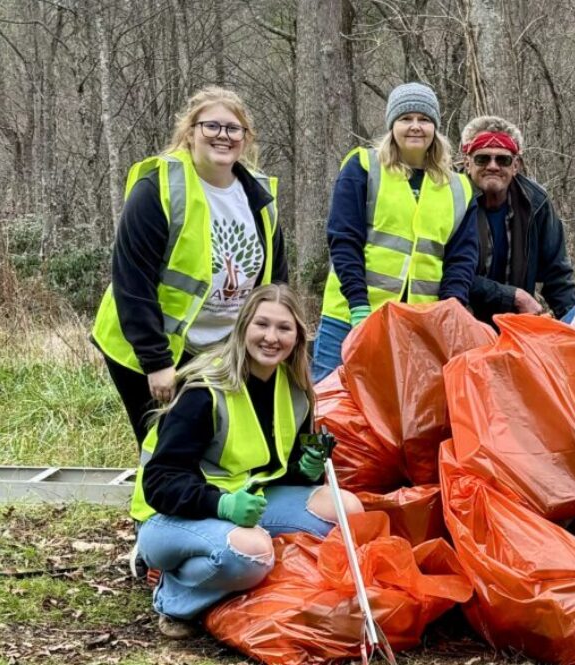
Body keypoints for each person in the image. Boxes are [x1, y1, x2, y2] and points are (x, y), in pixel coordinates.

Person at [129, 284, 364, 639]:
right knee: (252, 555)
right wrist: (221, 504)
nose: (272, 337)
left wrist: (307, 468)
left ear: (298, 335)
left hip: (246, 505)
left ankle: (237, 569)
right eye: (262, 325)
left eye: (284, 328)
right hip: (171, 517)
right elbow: (160, 482)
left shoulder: (295, 387)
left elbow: (277, 467)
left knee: (347, 512)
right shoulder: (204, 388)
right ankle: (173, 596)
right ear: (243, 328)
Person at [92, 87, 287, 446]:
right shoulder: (160, 187)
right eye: (211, 126)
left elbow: (275, 284)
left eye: (233, 129)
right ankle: (154, 504)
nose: (222, 136)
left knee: (217, 448)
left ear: (246, 138)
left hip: (220, 349)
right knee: (163, 450)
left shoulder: (259, 197)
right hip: (150, 347)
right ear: (190, 132)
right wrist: (156, 361)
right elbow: (132, 280)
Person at [314, 82, 478, 381]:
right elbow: (344, 240)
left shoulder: (459, 188)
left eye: (424, 119)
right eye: (406, 119)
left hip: (418, 326)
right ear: (392, 125)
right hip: (350, 315)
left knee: (401, 417)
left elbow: (461, 261)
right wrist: (358, 306)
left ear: (435, 128)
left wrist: (448, 312)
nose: (415, 127)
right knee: (327, 408)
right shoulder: (363, 166)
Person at [459, 115, 575, 323]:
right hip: (462, 320)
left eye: (503, 159)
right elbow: (443, 272)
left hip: (515, 326)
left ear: (515, 166)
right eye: (482, 158)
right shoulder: (449, 198)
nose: (493, 166)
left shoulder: (536, 203)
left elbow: (557, 273)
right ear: (467, 163)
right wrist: (513, 295)